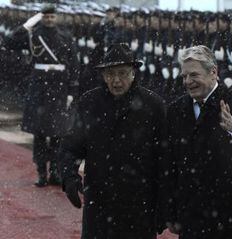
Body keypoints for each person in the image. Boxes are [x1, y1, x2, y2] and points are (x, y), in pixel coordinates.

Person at [59, 44, 167, 238]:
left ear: (133, 73)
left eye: (123, 73)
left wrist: (164, 206)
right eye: (110, 74)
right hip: (99, 202)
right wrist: (69, 178)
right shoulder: (89, 102)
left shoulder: (154, 106)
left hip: (139, 205)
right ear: (103, 75)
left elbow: (165, 159)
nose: (116, 81)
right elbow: (71, 147)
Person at [163, 45, 232, 239]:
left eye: (194, 75)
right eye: (184, 76)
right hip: (192, 213)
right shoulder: (176, 110)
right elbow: (170, 164)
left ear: (213, 72)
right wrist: (170, 211)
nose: (188, 82)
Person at [4, 5, 79, 187]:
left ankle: (54, 171)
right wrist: (28, 25)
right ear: (41, 17)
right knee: (39, 133)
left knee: (57, 133)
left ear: (56, 18)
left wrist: (72, 91)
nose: (49, 20)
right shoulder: (33, 34)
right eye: (45, 17)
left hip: (59, 87)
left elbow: (74, 65)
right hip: (40, 87)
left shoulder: (66, 37)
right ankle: (41, 173)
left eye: (52, 17)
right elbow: (8, 41)